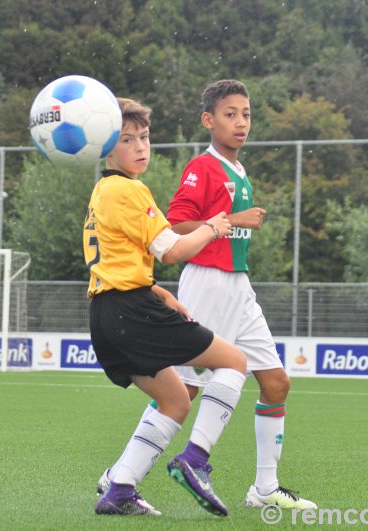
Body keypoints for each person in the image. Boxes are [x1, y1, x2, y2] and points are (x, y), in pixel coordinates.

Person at [97, 80, 317, 510]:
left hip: (238, 283)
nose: (240, 123)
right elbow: (175, 222)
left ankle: (265, 489)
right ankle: (121, 475)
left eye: (246, 114)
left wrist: (229, 222)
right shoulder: (204, 166)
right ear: (208, 120)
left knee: (276, 383)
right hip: (209, 279)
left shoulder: (237, 169)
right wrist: (230, 219)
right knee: (184, 389)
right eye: (230, 114)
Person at [86, 97, 247, 517]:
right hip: (131, 313)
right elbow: (172, 250)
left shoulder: (102, 190)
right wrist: (213, 225)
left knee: (176, 400)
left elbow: (114, 261)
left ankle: (119, 488)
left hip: (108, 314)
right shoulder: (129, 189)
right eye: (126, 140)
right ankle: (195, 460)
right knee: (233, 362)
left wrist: (160, 292)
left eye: (145, 137)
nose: (140, 147)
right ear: (105, 148)